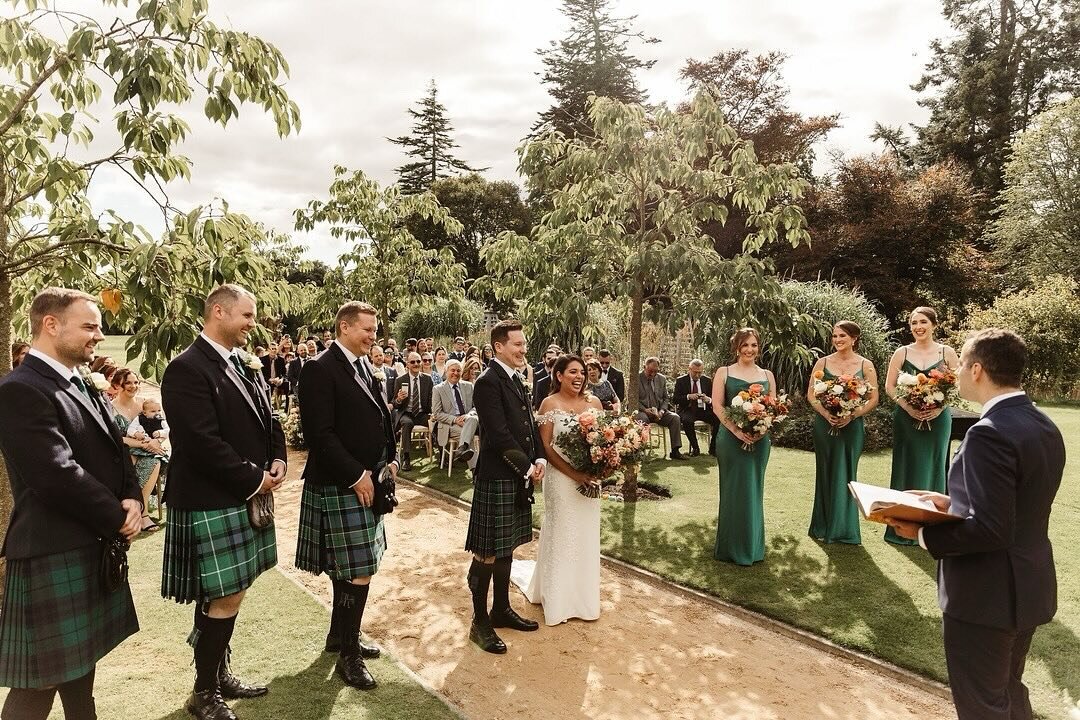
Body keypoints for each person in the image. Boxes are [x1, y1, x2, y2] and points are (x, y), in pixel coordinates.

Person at [887, 329, 1064, 720]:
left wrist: (920, 532)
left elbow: (990, 529)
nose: (959, 371)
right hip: (1027, 586)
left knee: (982, 705)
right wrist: (952, 503)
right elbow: (1016, 504)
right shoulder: (1044, 425)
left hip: (986, 596)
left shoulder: (988, 433)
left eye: (963, 363)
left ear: (978, 370)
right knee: (1009, 693)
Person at [0, 288, 142, 720]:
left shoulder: (75, 379)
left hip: (86, 541)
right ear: (51, 324)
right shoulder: (20, 389)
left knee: (81, 667)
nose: (99, 335)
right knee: (39, 682)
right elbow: (55, 474)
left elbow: (114, 449)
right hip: (51, 548)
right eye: (90, 326)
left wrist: (134, 495)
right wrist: (118, 515)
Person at [160, 284, 287, 720]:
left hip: (239, 493)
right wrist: (256, 479)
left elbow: (269, 417)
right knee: (224, 595)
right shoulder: (186, 368)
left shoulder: (243, 363)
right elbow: (199, 443)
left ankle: (217, 674)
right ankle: (204, 692)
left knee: (228, 593)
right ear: (218, 312)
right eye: (247, 316)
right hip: (209, 498)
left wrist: (278, 457)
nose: (253, 325)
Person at [294, 301, 397, 691]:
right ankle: (348, 657)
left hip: (369, 477)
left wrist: (391, 459)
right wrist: (357, 476)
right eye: (367, 330)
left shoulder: (362, 365)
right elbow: (320, 434)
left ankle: (340, 637)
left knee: (353, 566)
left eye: (375, 330)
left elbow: (380, 418)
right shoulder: (320, 368)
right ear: (344, 327)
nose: (374, 336)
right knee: (358, 570)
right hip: (341, 482)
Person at [465, 319, 546, 654]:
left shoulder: (516, 378)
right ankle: (479, 622)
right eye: (517, 345)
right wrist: (526, 466)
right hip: (498, 475)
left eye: (524, 345)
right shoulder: (487, 381)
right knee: (486, 553)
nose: (523, 350)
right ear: (498, 346)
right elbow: (497, 434)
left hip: (516, 475)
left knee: (506, 546)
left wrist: (539, 458)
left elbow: (529, 423)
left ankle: (500, 609)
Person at [521, 355, 603, 625]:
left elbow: (603, 442)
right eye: (572, 372)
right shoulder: (549, 403)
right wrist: (574, 474)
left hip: (590, 479)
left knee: (586, 535)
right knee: (562, 533)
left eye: (582, 372)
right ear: (559, 376)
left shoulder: (595, 403)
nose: (579, 377)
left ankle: (584, 599)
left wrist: (598, 470)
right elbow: (545, 447)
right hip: (561, 480)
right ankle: (557, 601)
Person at [883, 306, 960, 546]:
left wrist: (938, 407)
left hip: (938, 419)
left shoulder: (947, 352)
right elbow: (890, 387)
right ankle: (901, 526)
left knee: (935, 464)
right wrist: (910, 408)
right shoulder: (902, 352)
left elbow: (957, 385)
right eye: (914, 323)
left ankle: (933, 527)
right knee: (906, 465)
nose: (918, 327)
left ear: (934, 324)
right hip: (906, 418)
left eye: (923, 321)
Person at [806, 321, 879, 544]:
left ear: (854, 339)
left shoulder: (865, 365)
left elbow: (874, 398)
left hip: (852, 427)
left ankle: (844, 529)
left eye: (843, 336)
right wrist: (826, 414)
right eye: (835, 336)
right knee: (825, 471)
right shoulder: (823, 362)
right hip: (824, 426)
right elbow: (811, 394)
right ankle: (822, 525)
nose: (838, 340)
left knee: (847, 473)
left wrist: (852, 415)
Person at [711, 329, 776, 565]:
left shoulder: (767, 375)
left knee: (754, 491)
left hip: (759, 443)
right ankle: (730, 548)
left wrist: (761, 431)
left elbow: (773, 409)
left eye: (754, 345)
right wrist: (737, 431)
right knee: (732, 491)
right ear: (736, 347)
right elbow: (718, 407)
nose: (750, 349)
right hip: (730, 441)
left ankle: (753, 548)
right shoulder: (724, 372)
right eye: (745, 345)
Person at [111, 368, 168, 533]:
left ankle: (142, 513)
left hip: (150, 448)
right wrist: (142, 445)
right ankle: (130, 510)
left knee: (154, 460)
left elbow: (163, 428)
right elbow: (116, 438)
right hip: (121, 450)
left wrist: (156, 441)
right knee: (132, 461)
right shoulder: (110, 407)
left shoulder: (146, 404)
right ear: (117, 385)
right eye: (128, 382)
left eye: (136, 382)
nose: (133, 386)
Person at [431, 359, 479, 470]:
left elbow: (476, 406)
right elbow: (437, 413)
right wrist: (455, 420)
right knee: (468, 436)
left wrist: (468, 415)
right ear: (446, 371)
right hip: (450, 425)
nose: (456, 373)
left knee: (472, 419)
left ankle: (461, 449)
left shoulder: (469, 386)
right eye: (452, 370)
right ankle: (475, 470)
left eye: (458, 370)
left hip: (469, 421)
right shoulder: (438, 389)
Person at [636, 357, 685, 460]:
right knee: (642, 419)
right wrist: (645, 410)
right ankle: (639, 451)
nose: (653, 374)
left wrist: (662, 411)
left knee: (675, 417)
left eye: (656, 371)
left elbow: (665, 398)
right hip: (643, 411)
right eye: (650, 371)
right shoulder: (636, 378)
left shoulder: (661, 379)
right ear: (644, 367)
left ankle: (675, 451)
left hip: (659, 411)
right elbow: (633, 399)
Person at [391, 351, 433, 471]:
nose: (416, 364)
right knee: (407, 423)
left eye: (418, 361)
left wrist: (433, 414)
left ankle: (442, 454)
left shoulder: (427, 379)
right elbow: (395, 404)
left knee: (437, 423)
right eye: (413, 362)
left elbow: (431, 400)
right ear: (407, 364)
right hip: (406, 412)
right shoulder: (400, 380)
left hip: (422, 413)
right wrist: (399, 399)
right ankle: (406, 458)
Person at [675, 358, 719, 456]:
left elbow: (714, 398)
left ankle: (713, 448)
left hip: (703, 409)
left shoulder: (707, 381)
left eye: (700, 372)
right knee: (687, 421)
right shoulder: (681, 381)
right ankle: (695, 448)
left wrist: (708, 399)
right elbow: (675, 399)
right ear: (689, 369)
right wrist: (688, 396)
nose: (698, 375)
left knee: (718, 419)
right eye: (695, 372)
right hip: (688, 409)